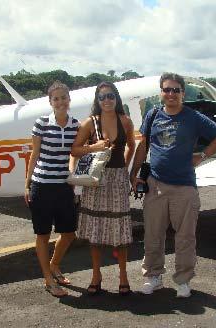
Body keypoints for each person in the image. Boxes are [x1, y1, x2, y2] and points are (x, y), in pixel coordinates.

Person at [130, 72, 216, 298]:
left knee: (185, 237)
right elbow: (143, 146)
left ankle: (183, 280)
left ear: (183, 93)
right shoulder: (153, 114)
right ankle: (153, 277)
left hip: (184, 186)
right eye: (167, 89)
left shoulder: (193, 117)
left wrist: (202, 155)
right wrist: (134, 173)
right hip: (155, 184)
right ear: (161, 93)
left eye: (176, 90)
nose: (171, 94)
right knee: (153, 234)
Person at [71, 81, 136, 296]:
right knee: (96, 233)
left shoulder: (125, 121)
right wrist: (94, 147)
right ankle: (96, 276)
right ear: (97, 101)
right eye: (102, 97)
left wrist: (123, 169)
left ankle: (123, 276)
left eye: (110, 96)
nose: (106, 100)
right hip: (95, 181)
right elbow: (75, 150)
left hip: (117, 179)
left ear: (116, 98)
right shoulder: (90, 123)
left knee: (120, 232)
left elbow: (131, 146)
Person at [25, 81, 79, 297]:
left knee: (69, 233)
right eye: (55, 99)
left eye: (63, 98)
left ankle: (54, 265)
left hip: (64, 186)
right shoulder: (41, 124)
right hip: (42, 185)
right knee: (43, 235)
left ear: (69, 99)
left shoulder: (75, 125)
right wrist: (28, 184)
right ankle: (48, 279)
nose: (60, 102)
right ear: (50, 102)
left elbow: (76, 152)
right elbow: (34, 154)